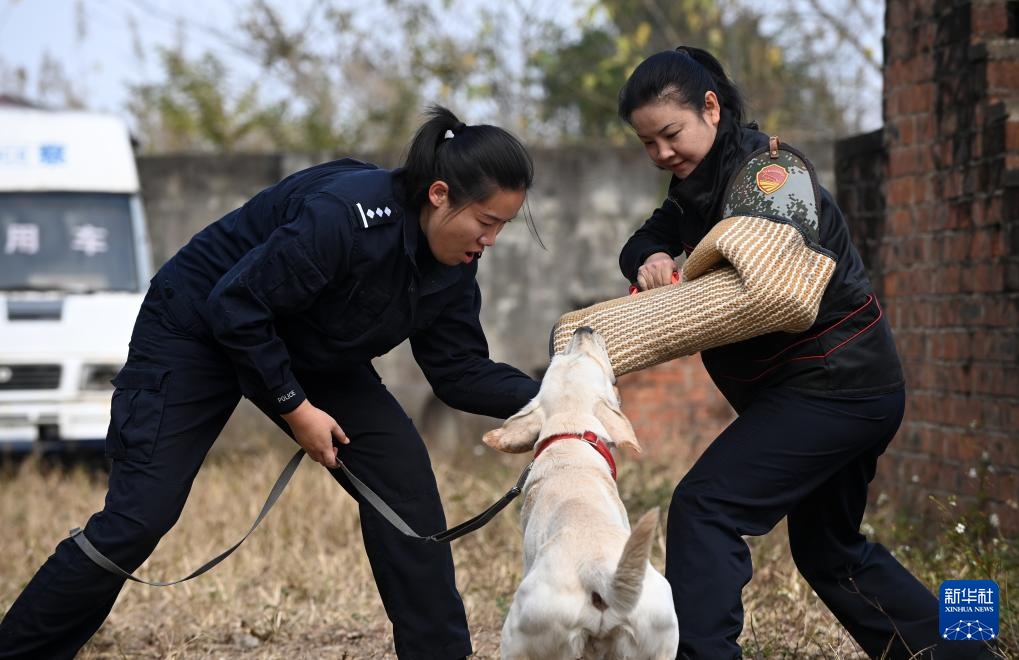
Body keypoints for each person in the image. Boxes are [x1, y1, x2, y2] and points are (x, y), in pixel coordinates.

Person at [0, 106, 539, 660]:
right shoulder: (345, 218)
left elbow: (458, 371)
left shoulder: (453, 263)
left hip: (306, 347)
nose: (491, 239)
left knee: (405, 486)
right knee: (139, 518)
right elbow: (236, 304)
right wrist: (296, 408)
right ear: (439, 194)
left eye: (502, 225)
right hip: (199, 327)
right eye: (486, 221)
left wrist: (559, 397)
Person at [616, 48, 991, 659]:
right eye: (647, 142)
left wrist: (653, 323)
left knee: (704, 505)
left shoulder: (773, 176)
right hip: (841, 388)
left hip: (835, 385)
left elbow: (766, 289)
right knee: (830, 553)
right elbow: (648, 235)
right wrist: (652, 258)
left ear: (710, 108)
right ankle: (968, 651)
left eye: (670, 134)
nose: (661, 153)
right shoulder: (696, 184)